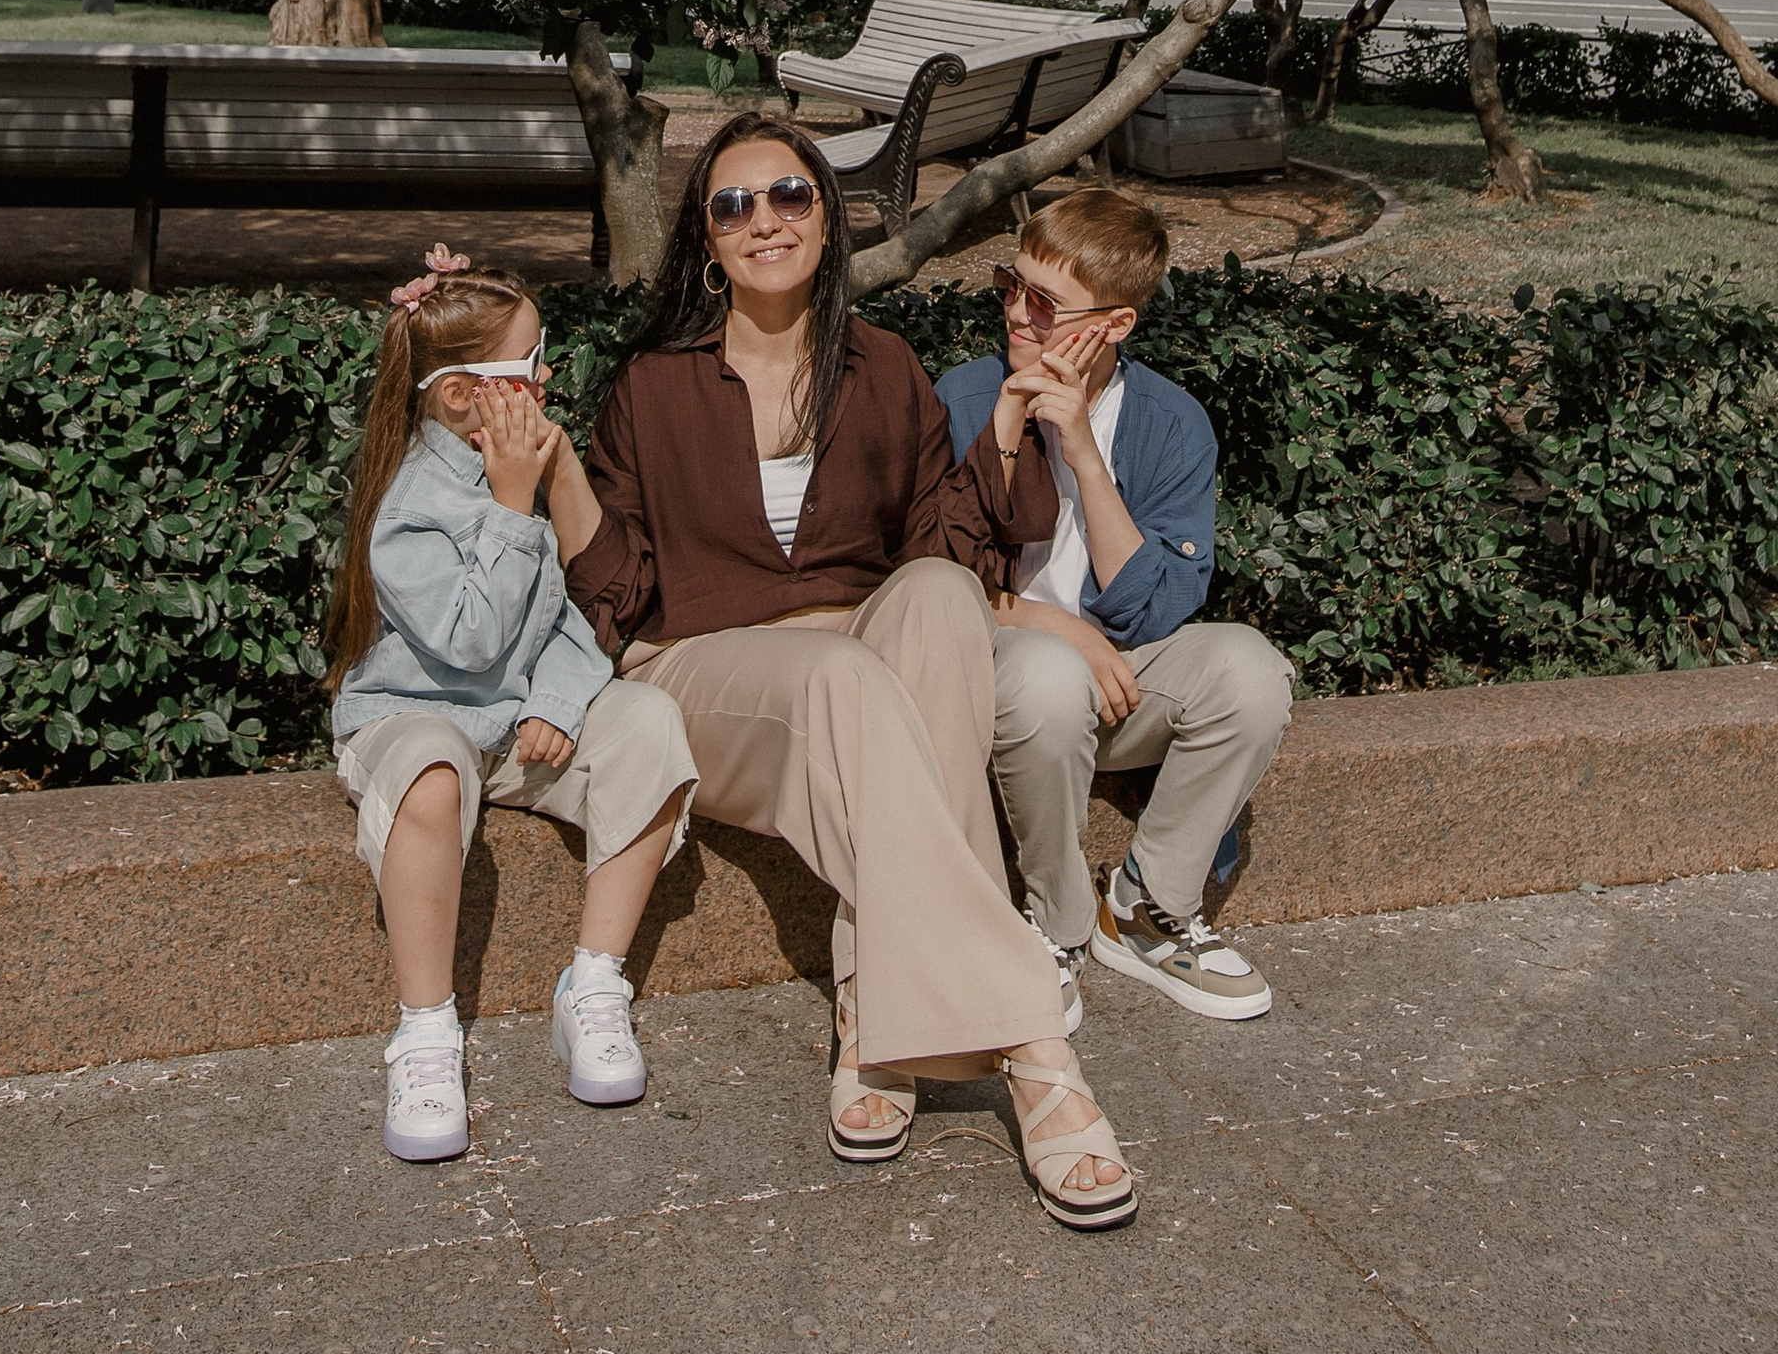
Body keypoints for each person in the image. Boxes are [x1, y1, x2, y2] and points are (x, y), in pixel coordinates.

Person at [534, 119, 1141, 1230]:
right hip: (703, 676)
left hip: (858, 658)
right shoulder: (655, 385)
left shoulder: (884, 369)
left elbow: (946, 551)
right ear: (705, 240)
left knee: (940, 602)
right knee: (842, 676)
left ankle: (873, 1009)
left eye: (789, 196)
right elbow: (616, 594)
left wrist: (1006, 423)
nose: (763, 220)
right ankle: (1034, 1050)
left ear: (828, 214)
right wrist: (561, 473)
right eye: (732, 205)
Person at [326, 248, 696, 1163]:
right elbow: (471, 643)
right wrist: (514, 501)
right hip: (419, 714)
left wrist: (567, 701)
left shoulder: (517, 463)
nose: (546, 377)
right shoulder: (414, 505)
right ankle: (425, 1031)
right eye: (531, 365)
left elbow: (573, 619)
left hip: (517, 727)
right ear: (463, 396)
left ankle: (595, 984)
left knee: (649, 723)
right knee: (431, 774)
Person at [939, 186, 1294, 1025]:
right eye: (1008, 284)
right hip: (998, 682)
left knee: (1250, 670)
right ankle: (1054, 924)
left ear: (1116, 325)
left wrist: (1084, 457)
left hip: (1119, 686)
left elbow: (1157, 612)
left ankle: (1145, 908)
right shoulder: (958, 397)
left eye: (1043, 302)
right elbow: (926, 580)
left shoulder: (1171, 423)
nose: (1016, 315)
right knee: (1049, 675)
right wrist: (1051, 624)